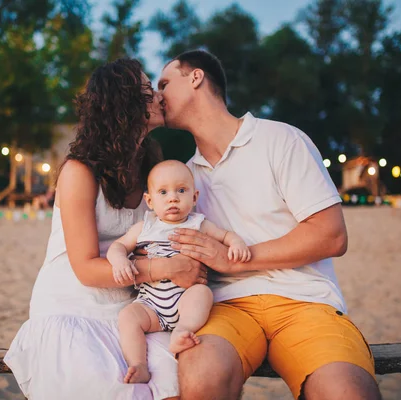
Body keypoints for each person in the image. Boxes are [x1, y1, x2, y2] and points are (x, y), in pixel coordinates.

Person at [157, 50, 382, 400]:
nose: (158, 96)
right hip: (226, 306)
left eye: (165, 84)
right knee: (201, 379)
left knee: (347, 392)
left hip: (305, 301)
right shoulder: (185, 178)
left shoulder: (281, 140)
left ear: (196, 78)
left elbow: (331, 235)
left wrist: (235, 259)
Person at [4, 58, 207, 400]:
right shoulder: (79, 172)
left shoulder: (153, 169)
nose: (159, 97)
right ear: (124, 105)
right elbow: (84, 268)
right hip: (73, 306)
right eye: (147, 91)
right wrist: (166, 268)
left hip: (134, 308)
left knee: (182, 380)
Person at [106, 160, 250, 384]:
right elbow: (118, 246)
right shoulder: (144, 228)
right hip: (150, 305)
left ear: (194, 197)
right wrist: (119, 261)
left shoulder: (198, 224)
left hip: (186, 300)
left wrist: (237, 243)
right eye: (163, 192)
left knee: (202, 293)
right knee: (127, 317)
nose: (173, 198)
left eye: (181, 190)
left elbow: (225, 236)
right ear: (150, 201)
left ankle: (181, 331)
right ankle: (138, 364)